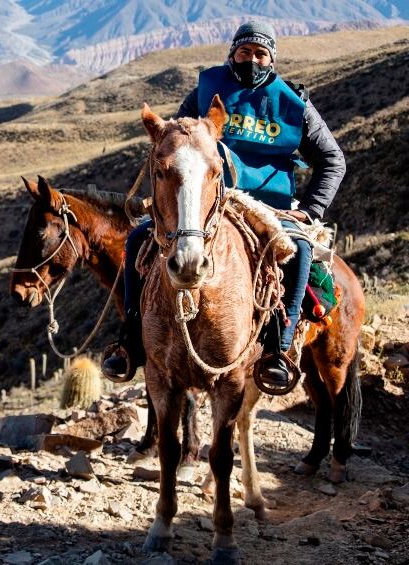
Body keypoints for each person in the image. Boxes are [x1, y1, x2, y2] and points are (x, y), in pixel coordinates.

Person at [102, 21, 346, 390]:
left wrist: (309, 209)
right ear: (232, 54)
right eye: (245, 52)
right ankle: (131, 340)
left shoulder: (294, 104)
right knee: (138, 240)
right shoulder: (206, 91)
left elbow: (332, 159)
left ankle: (278, 349)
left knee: (299, 251)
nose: (252, 60)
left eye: (261, 54)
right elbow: (176, 139)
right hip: (209, 200)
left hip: (271, 206)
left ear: (272, 59)